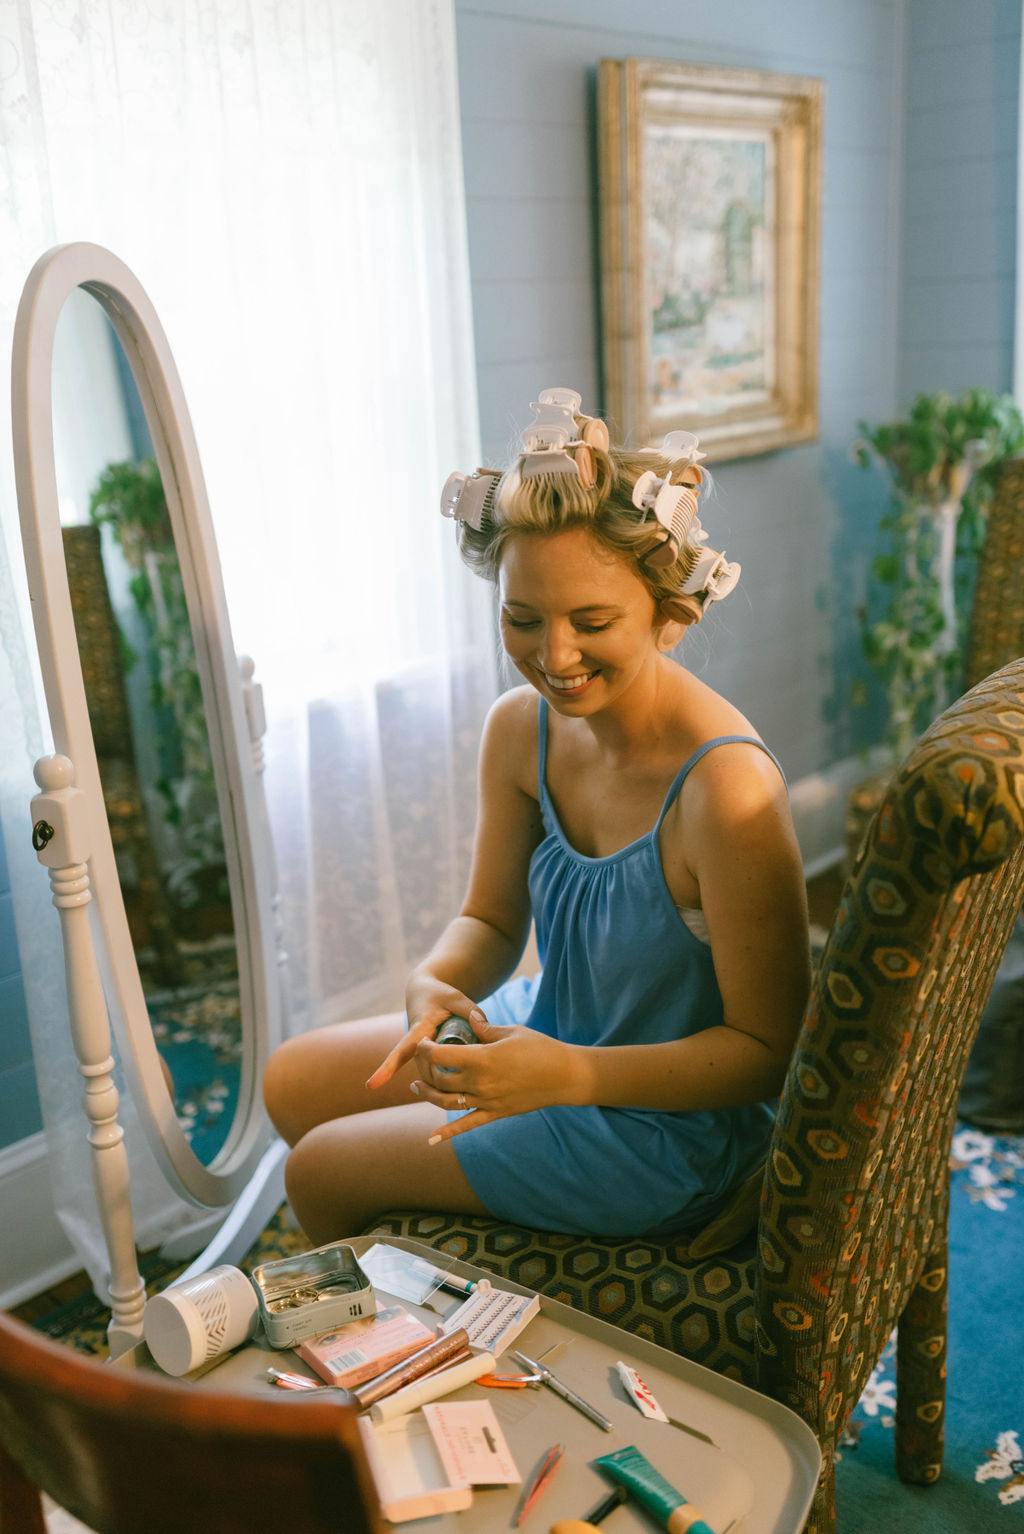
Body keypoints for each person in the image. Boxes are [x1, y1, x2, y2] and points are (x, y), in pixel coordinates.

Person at [262, 388, 811, 1247]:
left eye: (592, 622)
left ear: (673, 617)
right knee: (292, 1081)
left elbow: (766, 1050)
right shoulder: (521, 732)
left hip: (660, 1126)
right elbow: (487, 919)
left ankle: (400, 1358)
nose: (553, 658)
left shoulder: (726, 792)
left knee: (320, 1170)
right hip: (554, 1027)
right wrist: (432, 982)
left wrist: (569, 1076)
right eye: (522, 619)